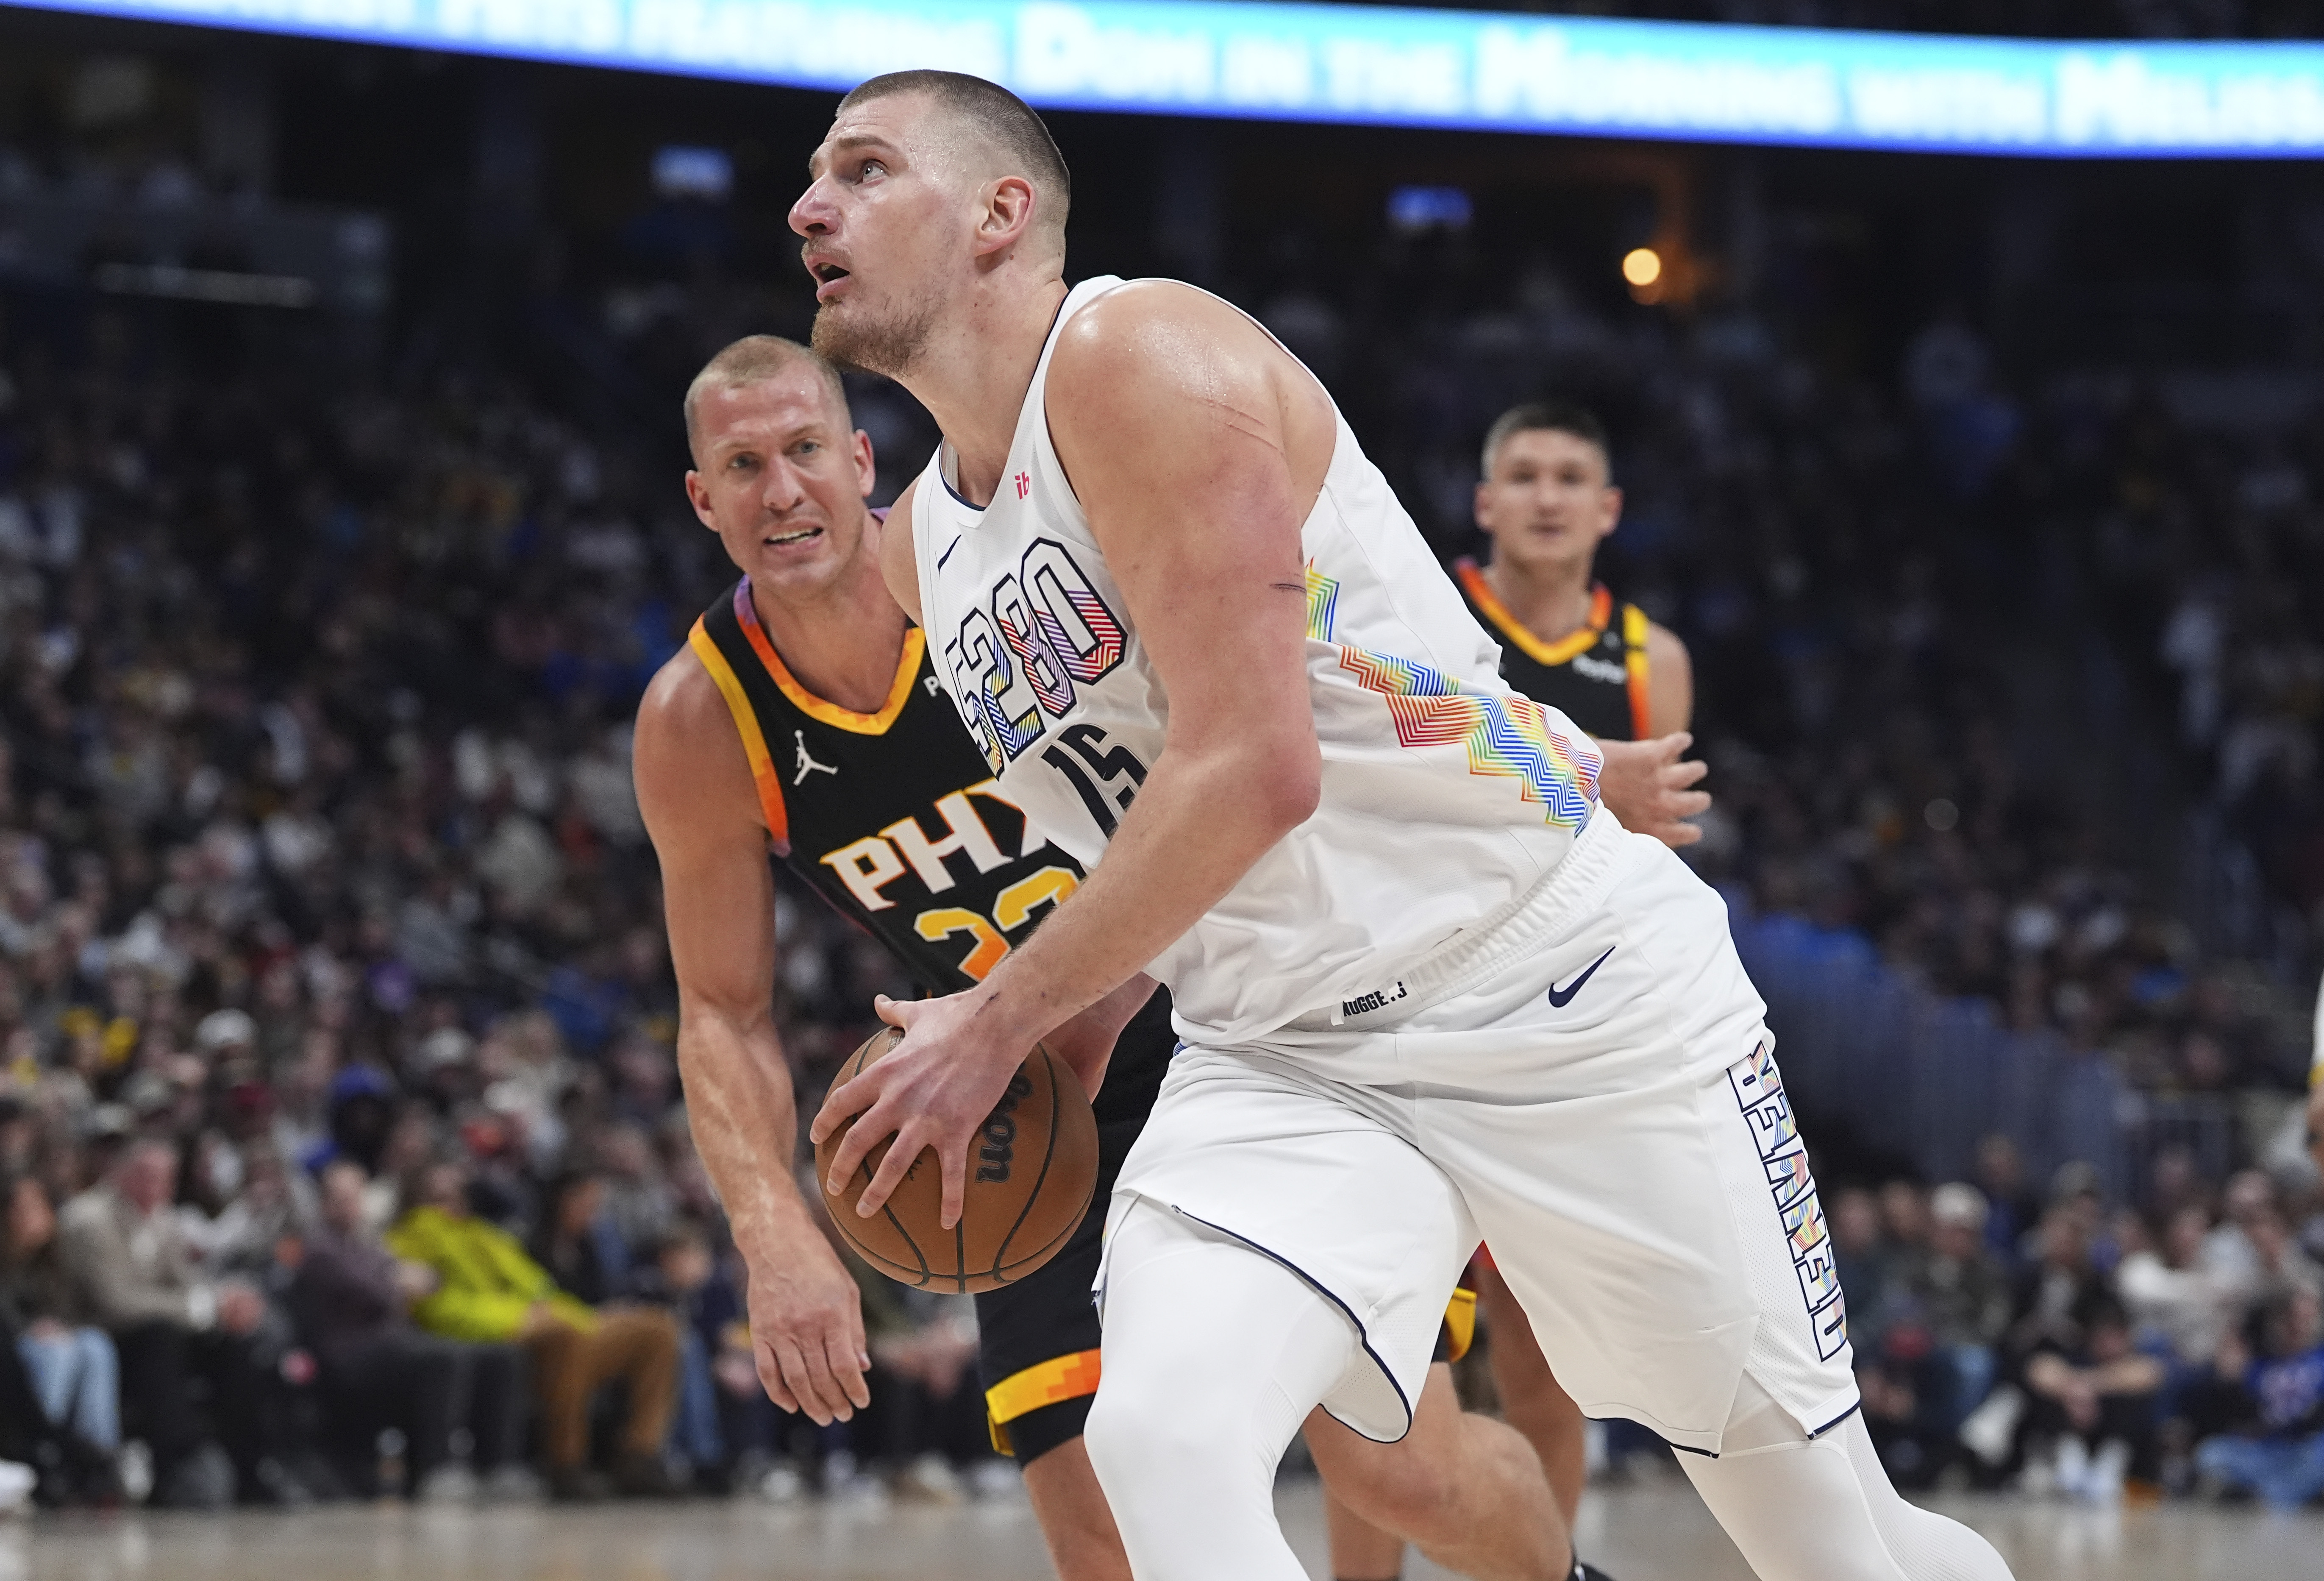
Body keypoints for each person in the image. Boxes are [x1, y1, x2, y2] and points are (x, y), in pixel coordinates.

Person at [799, 70, 2015, 1581]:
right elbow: (1154, 822)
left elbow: (1255, 770)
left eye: (861, 169)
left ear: (1000, 212)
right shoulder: (926, 545)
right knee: (1162, 1440)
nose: (808, 206)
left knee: (1829, 1543)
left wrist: (991, 1019)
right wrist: (1066, 1019)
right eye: (814, 177)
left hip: (1545, 984)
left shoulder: (1135, 354)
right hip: (1283, 1048)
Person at [634, 336, 1700, 1579]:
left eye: (806, 450)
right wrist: (773, 1231)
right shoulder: (703, 719)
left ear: (863, 458)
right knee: (1095, 1522)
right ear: (702, 498)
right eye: (743, 465)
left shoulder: (995, 578)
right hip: (1021, 1095)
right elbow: (719, 1008)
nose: (782, 492)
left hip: (1245, 1021)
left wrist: (1565, 764)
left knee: (1396, 1465)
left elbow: (1303, 682)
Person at [387, 1158, 681, 1500]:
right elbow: (437, 1308)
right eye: (439, 1196)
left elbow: (539, 1286)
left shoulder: (484, 1234)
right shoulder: (409, 1239)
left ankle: (639, 1455)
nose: (451, 1203)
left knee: (657, 1328)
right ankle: (566, 1466)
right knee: (563, 1336)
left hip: (550, 1322)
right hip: (504, 1335)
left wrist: (578, 1316)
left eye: (457, 1194)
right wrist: (521, 1318)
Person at [56, 1137, 282, 1507]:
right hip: (104, 1339)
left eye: (164, 1177)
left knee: (238, 1344)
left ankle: (251, 1463)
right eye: (145, 1175)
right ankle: (176, 1462)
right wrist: (199, 1308)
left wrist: (224, 1303)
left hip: (160, 1334)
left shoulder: (163, 1221)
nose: (155, 1186)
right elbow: (116, 1304)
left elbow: (190, 1282)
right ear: (121, 1174)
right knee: (159, 1338)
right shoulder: (90, 1220)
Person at [292, 1159, 528, 1501]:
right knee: (442, 1357)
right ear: (325, 1202)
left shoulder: (367, 1242)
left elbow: (420, 1281)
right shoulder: (320, 1248)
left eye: (355, 1196)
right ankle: (439, 1469)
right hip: (351, 1355)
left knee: (500, 1356)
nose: (349, 1205)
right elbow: (375, 1291)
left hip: (393, 1343)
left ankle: (499, 1466)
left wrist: (397, 1280)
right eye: (340, 1197)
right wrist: (398, 1281)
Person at [1, 1174, 122, 1497]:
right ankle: (44, 1447)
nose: (33, 1216)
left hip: (54, 1341)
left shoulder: (56, 1260)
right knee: (54, 1353)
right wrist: (31, 1330)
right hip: (14, 1350)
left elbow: (71, 1311)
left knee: (96, 1346)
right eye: (23, 1207)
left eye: (39, 1206)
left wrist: (59, 1329)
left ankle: (100, 1452)